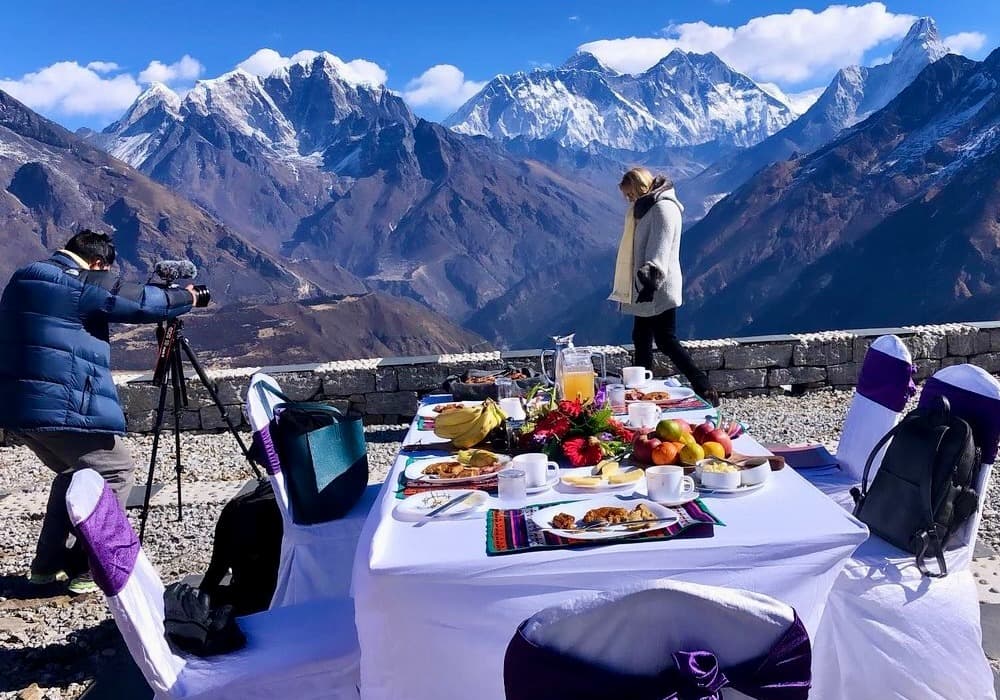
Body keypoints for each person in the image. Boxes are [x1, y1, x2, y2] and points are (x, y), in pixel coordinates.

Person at [0, 230, 197, 594]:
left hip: (18, 407)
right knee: (117, 470)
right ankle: (93, 567)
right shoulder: (76, 283)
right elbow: (139, 303)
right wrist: (184, 298)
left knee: (73, 471)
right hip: (64, 406)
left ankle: (47, 567)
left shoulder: (26, 276)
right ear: (97, 264)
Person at [609, 167, 720, 406]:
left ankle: (703, 385)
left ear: (640, 188)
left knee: (665, 339)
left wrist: (649, 282)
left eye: (630, 195)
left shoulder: (662, 208)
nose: (629, 200)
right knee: (642, 337)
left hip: (656, 285)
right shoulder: (650, 206)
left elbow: (660, 248)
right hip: (649, 284)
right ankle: (641, 390)